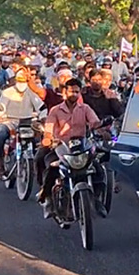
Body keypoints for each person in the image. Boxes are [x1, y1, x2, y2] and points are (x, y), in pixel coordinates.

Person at [37, 79, 102, 218]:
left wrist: (100, 128)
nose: (74, 94)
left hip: (81, 147)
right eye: (72, 91)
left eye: (77, 92)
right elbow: (49, 128)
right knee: (48, 166)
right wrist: (48, 138)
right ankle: (47, 198)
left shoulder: (85, 108)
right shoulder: (55, 110)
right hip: (61, 147)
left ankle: (96, 200)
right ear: (65, 92)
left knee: (98, 170)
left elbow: (94, 122)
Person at [0, 69, 46, 175]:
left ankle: (38, 165)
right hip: (10, 121)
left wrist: (43, 117)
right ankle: (0, 163)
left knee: (39, 140)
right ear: (16, 81)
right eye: (20, 81)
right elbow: (1, 107)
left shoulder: (30, 93)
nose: (21, 84)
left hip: (28, 122)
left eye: (23, 81)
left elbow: (41, 107)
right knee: (0, 135)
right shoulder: (7, 93)